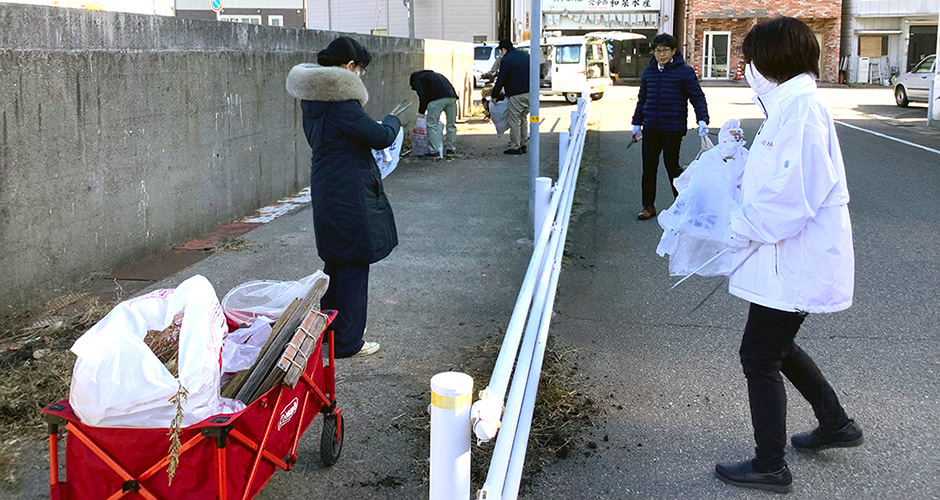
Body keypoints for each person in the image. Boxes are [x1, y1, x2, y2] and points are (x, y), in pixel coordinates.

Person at [714, 17, 863, 493]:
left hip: (794, 255)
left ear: (772, 59)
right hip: (788, 254)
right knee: (777, 347)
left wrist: (739, 230)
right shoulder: (789, 106)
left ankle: (770, 465)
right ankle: (836, 424)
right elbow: (775, 176)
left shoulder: (800, 110)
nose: (746, 67)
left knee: (759, 354)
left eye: (750, 57)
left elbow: (790, 196)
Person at [286, 36, 401, 358]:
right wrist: (391, 121)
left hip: (327, 186)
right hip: (349, 191)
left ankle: (328, 330)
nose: (359, 75)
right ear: (349, 67)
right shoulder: (343, 104)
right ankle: (349, 342)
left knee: (336, 261)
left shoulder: (312, 99)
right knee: (353, 262)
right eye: (359, 69)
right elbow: (380, 137)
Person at [631, 33, 709, 221]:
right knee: (648, 168)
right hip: (651, 126)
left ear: (674, 51)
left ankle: (681, 205)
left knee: (672, 167)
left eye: (665, 50)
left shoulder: (684, 72)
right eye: (658, 50)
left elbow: (697, 97)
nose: (661, 54)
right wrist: (636, 122)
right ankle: (648, 206)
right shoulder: (649, 71)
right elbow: (642, 99)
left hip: (672, 127)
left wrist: (702, 119)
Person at [490, 39, 530, 155]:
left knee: (514, 120)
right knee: (523, 119)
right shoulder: (525, 55)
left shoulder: (506, 60)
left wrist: (495, 94)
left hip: (516, 94)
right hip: (530, 92)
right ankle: (523, 144)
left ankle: (515, 146)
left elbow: (501, 79)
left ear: (503, 49)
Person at [410, 70, 459, 158]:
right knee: (451, 125)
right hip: (452, 98)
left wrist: (421, 112)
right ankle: (451, 151)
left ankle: (434, 152)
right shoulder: (436, 75)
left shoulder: (417, 79)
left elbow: (423, 96)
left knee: (432, 125)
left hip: (437, 99)